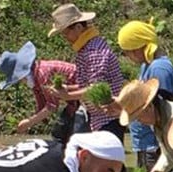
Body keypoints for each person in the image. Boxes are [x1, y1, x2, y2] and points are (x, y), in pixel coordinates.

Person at [116, 19, 173, 172]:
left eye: (127, 52)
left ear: (137, 49)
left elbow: (160, 108)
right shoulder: (148, 64)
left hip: (155, 144)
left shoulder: (159, 69)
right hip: (149, 141)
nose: (128, 57)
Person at [49, 3, 125, 139]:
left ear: (78, 27)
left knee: (105, 160)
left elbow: (95, 88)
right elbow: (88, 84)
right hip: (98, 117)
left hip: (108, 116)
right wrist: (68, 88)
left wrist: (68, 96)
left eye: (66, 33)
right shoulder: (87, 48)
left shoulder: (94, 51)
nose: (65, 38)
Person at [0, 41, 79, 141]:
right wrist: (27, 124)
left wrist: (29, 122)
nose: (20, 82)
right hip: (72, 101)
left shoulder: (42, 74)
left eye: (18, 79)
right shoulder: (34, 81)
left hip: (82, 93)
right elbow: (41, 105)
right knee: (59, 134)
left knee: (73, 136)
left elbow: (52, 106)